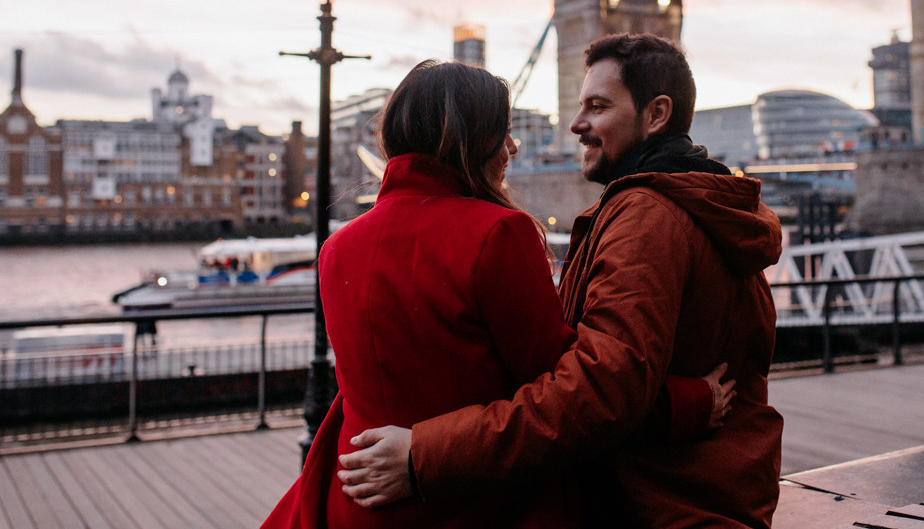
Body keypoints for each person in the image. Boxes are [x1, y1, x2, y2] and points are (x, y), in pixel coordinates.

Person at [262, 59, 730, 529]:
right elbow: (567, 389)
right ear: (470, 137)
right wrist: (686, 403)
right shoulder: (499, 233)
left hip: (359, 503)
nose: (512, 146)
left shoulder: (338, 247)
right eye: (503, 131)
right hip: (471, 503)